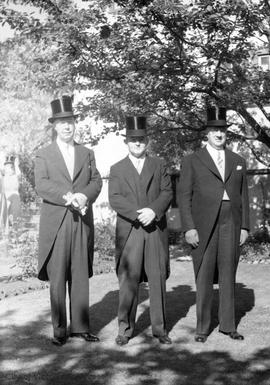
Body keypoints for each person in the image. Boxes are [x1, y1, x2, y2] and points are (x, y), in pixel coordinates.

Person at [34, 95, 102, 346]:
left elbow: (96, 181)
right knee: (59, 277)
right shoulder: (43, 154)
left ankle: (81, 327)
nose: (67, 126)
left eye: (70, 121)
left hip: (81, 221)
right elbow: (41, 185)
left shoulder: (86, 153)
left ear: (75, 123)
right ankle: (60, 331)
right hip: (57, 223)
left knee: (80, 274)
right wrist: (67, 197)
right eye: (62, 122)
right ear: (54, 126)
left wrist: (84, 195)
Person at [178, 106, 250, 343]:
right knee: (204, 275)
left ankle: (228, 326)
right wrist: (189, 227)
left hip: (231, 221)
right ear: (206, 133)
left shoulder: (238, 160)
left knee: (229, 272)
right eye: (214, 130)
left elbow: (244, 196)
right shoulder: (192, 160)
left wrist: (244, 227)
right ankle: (202, 328)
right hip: (203, 223)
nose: (219, 134)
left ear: (226, 133)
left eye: (222, 130)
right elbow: (184, 197)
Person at [109, 116, 173, 346]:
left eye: (141, 139)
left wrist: (153, 211)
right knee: (128, 281)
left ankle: (160, 329)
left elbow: (167, 192)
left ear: (148, 141)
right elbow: (114, 198)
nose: (137, 143)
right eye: (133, 140)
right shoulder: (116, 168)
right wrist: (139, 214)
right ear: (126, 142)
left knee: (156, 279)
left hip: (154, 228)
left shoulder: (159, 165)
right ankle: (124, 329)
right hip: (131, 230)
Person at [3, 155, 21, 227]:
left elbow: (19, 173)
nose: (9, 168)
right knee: (5, 215)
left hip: (15, 196)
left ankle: (15, 226)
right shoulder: (3, 177)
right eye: (7, 166)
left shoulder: (15, 175)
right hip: (6, 196)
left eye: (11, 167)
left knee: (15, 215)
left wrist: (16, 165)